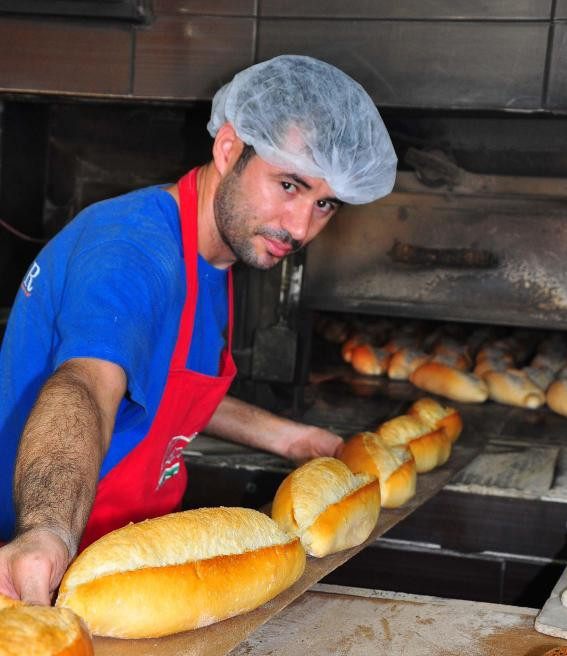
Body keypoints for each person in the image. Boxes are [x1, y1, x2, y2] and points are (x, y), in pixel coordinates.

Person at [0, 55, 397, 604]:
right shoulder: (134, 250)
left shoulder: (215, 254)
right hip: (48, 574)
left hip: (134, 560)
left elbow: (169, 390)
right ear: (229, 148)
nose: (300, 227)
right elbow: (86, 386)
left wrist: (294, 439)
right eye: (288, 185)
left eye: (324, 203)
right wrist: (46, 533)